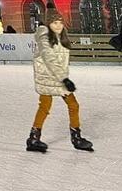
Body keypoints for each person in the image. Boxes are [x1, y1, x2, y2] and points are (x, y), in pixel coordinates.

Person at [27, 11, 93, 153]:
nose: (58, 26)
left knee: (72, 105)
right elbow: (49, 58)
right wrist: (64, 79)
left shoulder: (61, 37)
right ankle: (35, 138)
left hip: (58, 77)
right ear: (49, 24)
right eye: (54, 23)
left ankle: (74, 136)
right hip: (48, 78)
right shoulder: (44, 39)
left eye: (60, 23)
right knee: (47, 106)